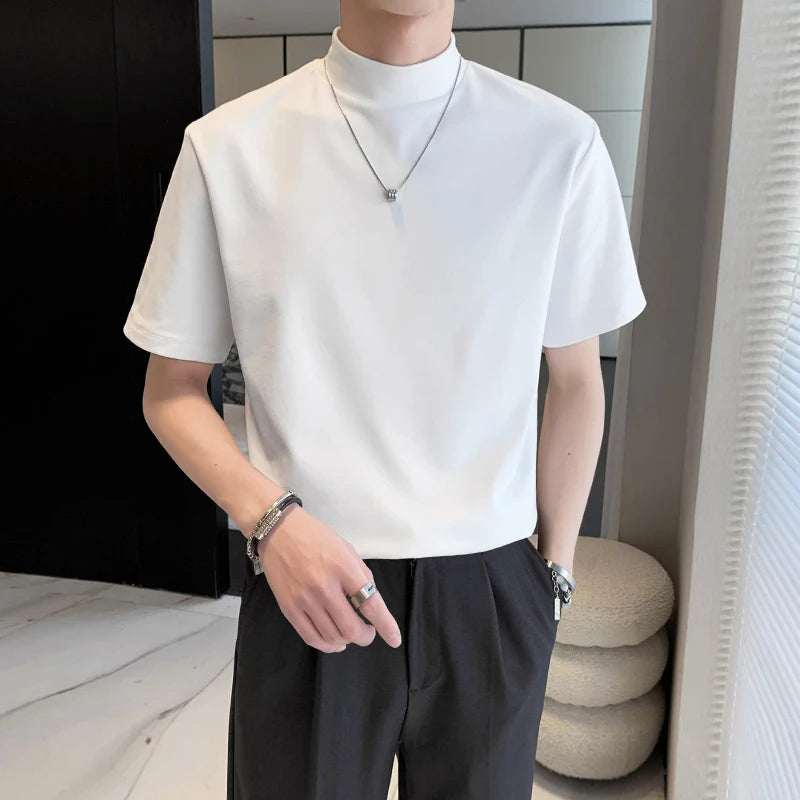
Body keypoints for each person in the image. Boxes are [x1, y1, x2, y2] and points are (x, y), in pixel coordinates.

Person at [122, 1, 647, 797]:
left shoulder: (558, 145)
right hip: (306, 575)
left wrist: (554, 577)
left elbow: (576, 381)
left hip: (492, 591)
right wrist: (270, 522)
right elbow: (171, 390)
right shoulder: (228, 147)